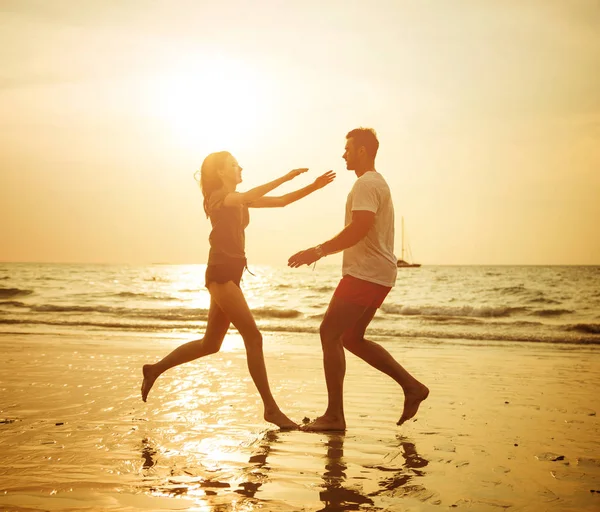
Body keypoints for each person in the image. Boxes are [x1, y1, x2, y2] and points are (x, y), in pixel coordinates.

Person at [141, 151, 335, 429]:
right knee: (253, 338)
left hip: (231, 274)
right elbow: (246, 196)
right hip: (220, 274)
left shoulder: (239, 199)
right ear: (221, 172)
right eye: (234, 165)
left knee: (210, 344)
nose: (240, 167)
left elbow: (280, 202)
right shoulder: (220, 198)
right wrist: (286, 176)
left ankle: (154, 369)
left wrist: (313, 187)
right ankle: (271, 409)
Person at [288, 128, 429, 431]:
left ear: (363, 150)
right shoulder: (375, 183)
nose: (344, 154)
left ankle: (335, 416)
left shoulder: (366, 184)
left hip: (365, 272)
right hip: (380, 273)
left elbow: (359, 228)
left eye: (348, 148)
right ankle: (411, 386)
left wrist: (318, 251)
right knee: (351, 337)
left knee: (329, 332)